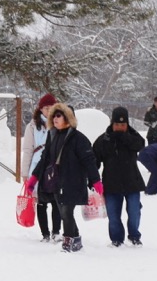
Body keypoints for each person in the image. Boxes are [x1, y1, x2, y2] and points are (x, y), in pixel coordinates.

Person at [25, 103, 102, 253]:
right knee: (64, 213)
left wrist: (95, 180)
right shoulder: (52, 135)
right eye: (53, 115)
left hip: (73, 181)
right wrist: (34, 177)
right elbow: (44, 158)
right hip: (56, 182)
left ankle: (68, 242)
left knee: (66, 212)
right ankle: (76, 239)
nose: (55, 118)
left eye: (58, 115)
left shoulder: (79, 138)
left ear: (68, 118)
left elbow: (89, 161)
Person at [92, 106, 145, 247]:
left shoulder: (133, 137)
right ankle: (116, 239)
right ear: (111, 123)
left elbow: (140, 145)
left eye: (123, 125)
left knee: (134, 213)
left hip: (132, 182)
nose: (120, 127)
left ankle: (134, 236)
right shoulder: (103, 140)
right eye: (117, 124)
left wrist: (125, 138)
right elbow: (94, 161)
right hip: (111, 184)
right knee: (113, 216)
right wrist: (92, 179)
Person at [20, 92, 61, 242]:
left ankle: (56, 231)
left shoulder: (59, 122)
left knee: (57, 200)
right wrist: (25, 172)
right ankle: (45, 233)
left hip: (56, 165)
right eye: (46, 108)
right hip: (38, 166)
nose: (48, 111)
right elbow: (27, 149)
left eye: (51, 107)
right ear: (41, 109)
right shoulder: (32, 126)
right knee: (41, 201)